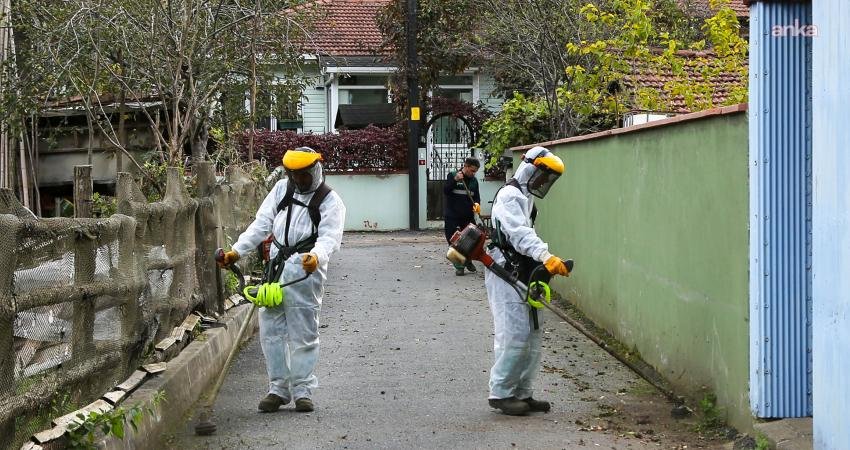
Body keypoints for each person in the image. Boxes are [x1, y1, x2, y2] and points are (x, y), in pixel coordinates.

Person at [218, 147, 346, 413]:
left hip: (304, 270)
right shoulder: (281, 189)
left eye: (303, 175)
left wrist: (316, 256)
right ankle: (278, 388)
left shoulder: (329, 200)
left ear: (314, 170)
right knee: (271, 331)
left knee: (304, 332)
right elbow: (261, 223)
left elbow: (329, 238)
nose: (298, 180)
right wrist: (237, 251)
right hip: (275, 269)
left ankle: (302, 390)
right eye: (293, 174)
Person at [485, 146, 571, 415]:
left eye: (548, 179)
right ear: (530, 167)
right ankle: (501, 392)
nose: (544, 182)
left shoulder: (524, 197)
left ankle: (523, 392)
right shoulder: (509, 196)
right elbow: (520, 234)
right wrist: (545, 255)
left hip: (522, 269)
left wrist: (543, 261)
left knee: (532, 333)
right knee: (514, 334)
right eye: (543, 175)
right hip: (505, 269)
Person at [444, 157, 482, 276]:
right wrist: (455, 180)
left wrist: (476, 204)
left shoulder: (474, 181)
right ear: (465, 166)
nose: (473, 173)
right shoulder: (453, 175)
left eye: (475, 171)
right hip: (452, 215)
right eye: (472, 170)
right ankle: (459, 266)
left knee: (471, 240)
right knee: (454, 241)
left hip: (467, 216)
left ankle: (468, 260)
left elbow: (476, 197)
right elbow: (446, 190)